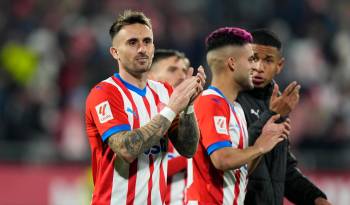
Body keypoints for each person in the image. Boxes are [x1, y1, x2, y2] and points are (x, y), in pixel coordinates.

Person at [85, 10, 206, 205]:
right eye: (132, 43)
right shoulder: (105, 93)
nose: (142, 49)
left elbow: (188, 148)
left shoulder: (164, 91)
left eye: (147, 41)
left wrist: (188, 107)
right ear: (115, 52)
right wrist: (172, 108)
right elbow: (126, 149)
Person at [186, 27, 291, 205]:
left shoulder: (236, 109)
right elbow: (221, 159)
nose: (256, 67)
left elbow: (240, 169)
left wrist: (261, 142)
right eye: (251, 59)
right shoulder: (210, 102)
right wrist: (258, 148)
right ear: (232, 63)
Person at [237, 29, 332, 205]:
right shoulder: (230, 99)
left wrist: (316, 198)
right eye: (254, 58)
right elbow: (233, 160)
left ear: (279, 66)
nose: (259, 67)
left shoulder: (277, 101)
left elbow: (283, 171)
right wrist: (272, 114)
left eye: (268, 60)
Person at [149, 49, 191, 205]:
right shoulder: (142, 114)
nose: (182, 76)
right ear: (150, 76)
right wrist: (196, 156)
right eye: (172, 70)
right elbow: (140, 166)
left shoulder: (194, 115)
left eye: (185, 71)